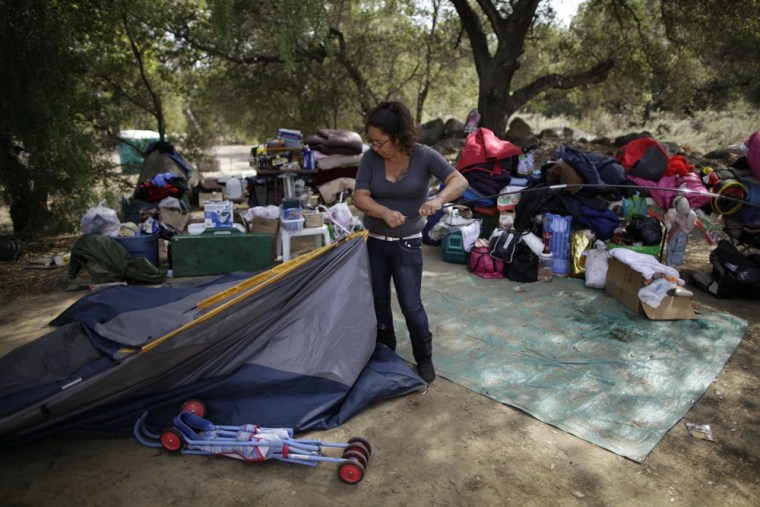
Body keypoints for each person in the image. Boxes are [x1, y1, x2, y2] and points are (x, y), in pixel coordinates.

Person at [354, 101, 469, 383]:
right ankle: (385, 350)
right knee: (379, 301)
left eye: (380, 141)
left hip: (408, 244)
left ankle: (424, 357)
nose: (376, 147)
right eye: (373, 141)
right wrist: (383, 212)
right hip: (374, 243)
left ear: (398, 136)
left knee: (410, 304)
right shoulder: (371, 158)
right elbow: (360, 197)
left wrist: (438, 199)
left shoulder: (425, 156)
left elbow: (459, 181)